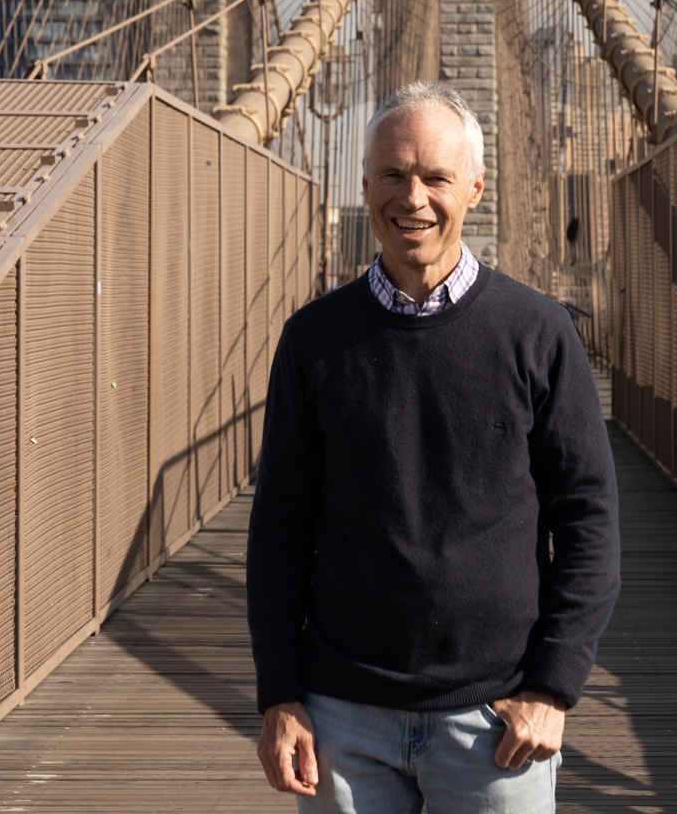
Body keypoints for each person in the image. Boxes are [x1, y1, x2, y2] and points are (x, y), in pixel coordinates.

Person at [246, 81, 621, 813]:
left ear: (474, 189)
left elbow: (590, 521)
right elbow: (280, 526)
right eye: (392, 174)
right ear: (364, 186)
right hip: (341, 716)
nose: (411, 197)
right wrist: (280, 694)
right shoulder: (313, 342)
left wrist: (553, 686)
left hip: (495, 717)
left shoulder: (538, 334)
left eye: (435, 178)